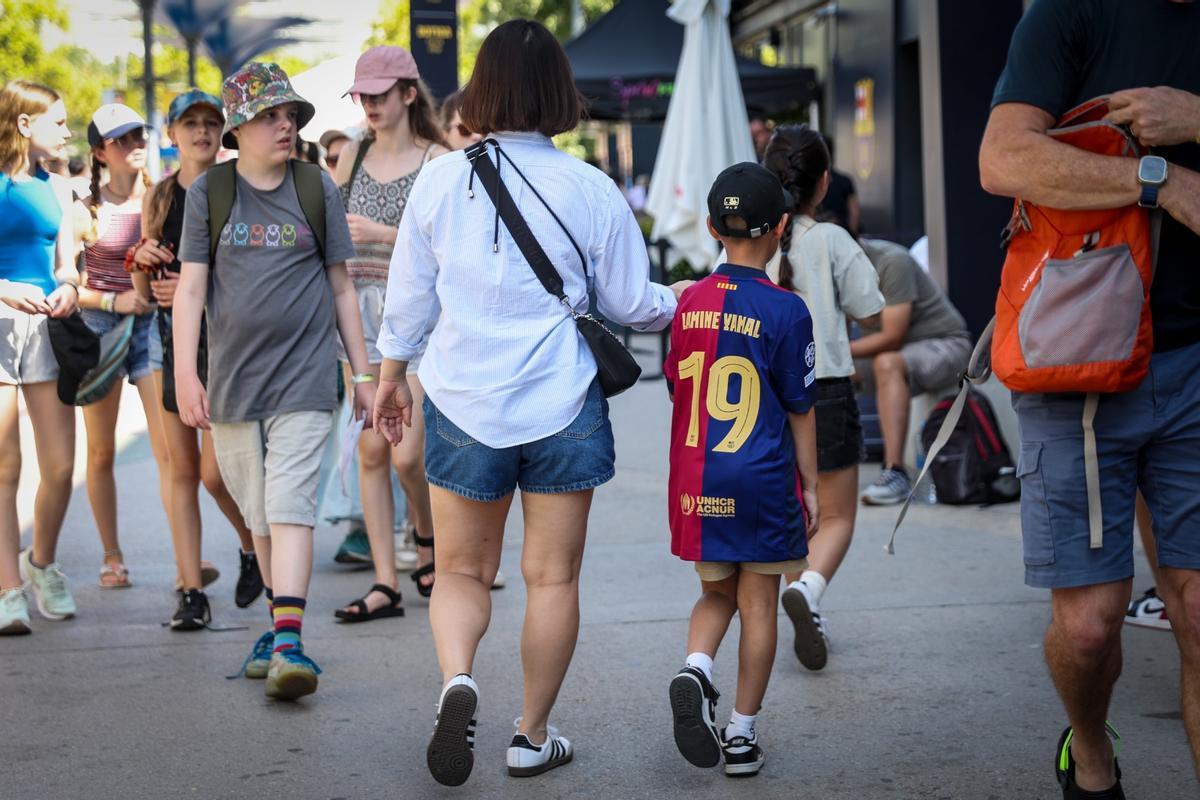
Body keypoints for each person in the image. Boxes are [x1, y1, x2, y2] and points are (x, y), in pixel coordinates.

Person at [373, 20, 685, 786]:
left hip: (463, 401)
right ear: (558, 93)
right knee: (551, 578)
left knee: (458, 572)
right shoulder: (592, 187)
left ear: (481, 89)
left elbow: (409, 300)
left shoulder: (441, 180)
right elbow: (630, 303)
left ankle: (458, 682)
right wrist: (683, 298)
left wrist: (388, 379)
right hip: (564, 402)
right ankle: (530, 735)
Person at [979, 1, 1200, 793]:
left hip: (1195, 363)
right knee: (1088, 626)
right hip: (1077, 361)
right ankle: (1091, 749)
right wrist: (1159, 178)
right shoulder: (1069, 14)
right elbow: (1003, 159)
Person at [174, 62, 374, 699]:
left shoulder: (316, 188)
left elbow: (343, 286)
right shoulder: (212, 192)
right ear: (239, 127)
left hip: (306, 379)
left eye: (289, 114)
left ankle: (289, 640)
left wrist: (363, 374)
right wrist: (184, 373)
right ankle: (277, 626)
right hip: (232, 382)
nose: (285, 124)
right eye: (269, 115)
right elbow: (192, 289)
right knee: (259, 512)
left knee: (289, 506)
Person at [664, 162, 818, 778]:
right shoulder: (787, 310)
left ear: (710, 227)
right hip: (760, 479)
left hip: (698, 478)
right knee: (759, 603)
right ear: (781, 227)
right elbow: (801, 408)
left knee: (713, 593)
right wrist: (810, 485)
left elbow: (679, 389)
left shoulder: (687, 304)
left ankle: (695, 669)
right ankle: (742, 735)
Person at [127, 89, 263, 630]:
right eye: (191, 123)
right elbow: (143, 291)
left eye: (211, 122)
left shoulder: (237, 189)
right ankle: (190, 590)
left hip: (226, 346)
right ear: (173, 134)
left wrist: (197, 284)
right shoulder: (160, 197)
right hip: (169, 345)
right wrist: (141, 260)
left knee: (215, 473)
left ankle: (253, 547)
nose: (202, 131)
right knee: (181, 471)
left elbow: (257, 274)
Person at [762, 124, 885, 670]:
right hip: (827, 392)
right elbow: (871, 310)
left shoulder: (751, 243)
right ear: (824, 183)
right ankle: (809, 591)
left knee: (796, 509)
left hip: (765, 399)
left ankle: (806, 596)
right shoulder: (833, 240)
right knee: (836, 517)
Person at [331, 45, 446, 622]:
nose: (370, 105)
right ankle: (385, 583)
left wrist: (379, 229)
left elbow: (450, 247)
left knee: (407, 455)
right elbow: (328, 238)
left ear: (407, 93)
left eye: (380, 93)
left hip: (420, 318)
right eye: (363, 96)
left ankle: (425, 541)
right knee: (372, 453)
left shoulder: (438, 158)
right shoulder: (349, 156)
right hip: (361, 315)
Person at [74, 103, 173, 588]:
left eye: (138, 134)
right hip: (99, 328)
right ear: (99, 152)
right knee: (100, 453)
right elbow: (69, 286)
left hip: (151, 326)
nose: (134, 144)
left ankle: (186, 565)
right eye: (121, 139)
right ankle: (112, 557)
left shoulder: (161, 197)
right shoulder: (84, 208)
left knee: (169, 450)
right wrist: (116, 302)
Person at [0, 79, 79, 634]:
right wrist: (4, 287)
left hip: (48, 328)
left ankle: (41, 561)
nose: (68, 131)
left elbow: (67, 262)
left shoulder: (60, 184)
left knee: (59, 468)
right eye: (59, 121)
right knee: (3, 467)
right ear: (25, 124)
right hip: (1, 321)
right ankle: (8, 589)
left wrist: (70, 286)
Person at [852, 238, 972, 505]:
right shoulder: (828, 267)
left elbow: (892, 336)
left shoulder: (891, 260)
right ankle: (822, 467)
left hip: (945, 344)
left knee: (887, 362)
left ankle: (895, 472)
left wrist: (835, 352)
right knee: (825, 371)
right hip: (894, 356)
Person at [814, 134, 861, 237]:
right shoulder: (845, 180)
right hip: (843, 235)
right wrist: (851, 235)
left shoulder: (809, 182)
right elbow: (855, 212)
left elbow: (855, 211)